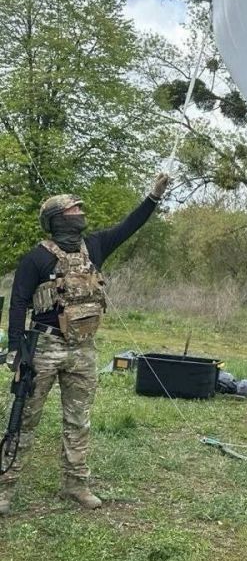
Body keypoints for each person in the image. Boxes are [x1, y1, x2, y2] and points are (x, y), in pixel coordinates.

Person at [0, 174, 170, 516]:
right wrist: (15, 350)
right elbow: (18, 303)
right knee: (23, 419)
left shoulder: (94, 247)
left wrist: (153, 196)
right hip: (43, 349)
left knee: (78, 421)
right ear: (58, 218)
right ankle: (4, 487)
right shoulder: (36, 259)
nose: (81, 212)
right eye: (74, 208)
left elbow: (129, 226)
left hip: (83, 350)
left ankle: (75, 483)